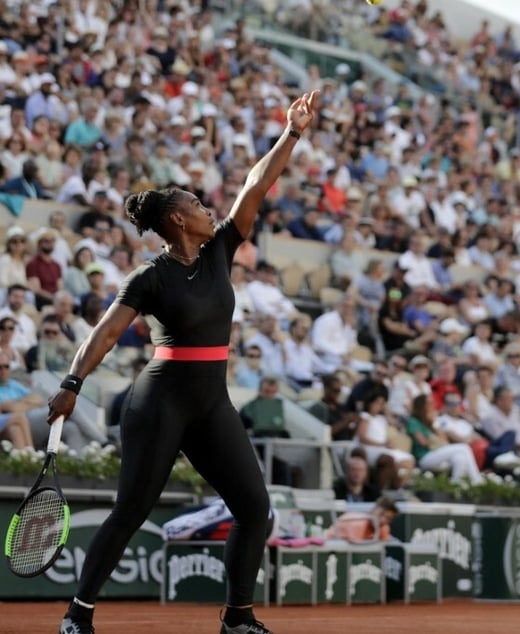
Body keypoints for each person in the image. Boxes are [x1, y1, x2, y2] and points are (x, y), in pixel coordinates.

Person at [46, 89, 320, 634]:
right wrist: (73, 381)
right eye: (196, 204)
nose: (207, 208)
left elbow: (255, 183)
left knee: (253, 509)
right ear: (176, 219)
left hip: (211, 401)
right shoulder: (149, 277)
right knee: (131, 512)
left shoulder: (222, 247)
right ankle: (78, 615)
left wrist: (291, 132)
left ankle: (237, 620)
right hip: (161, 400)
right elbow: (104, 334)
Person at [325, 496, 399, 542]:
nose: (383, 520)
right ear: (373, 510)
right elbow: (358, 554)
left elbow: (383, 551)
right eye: (381, 514)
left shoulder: (384, 527)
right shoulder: (358, 524)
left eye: (388, 518)